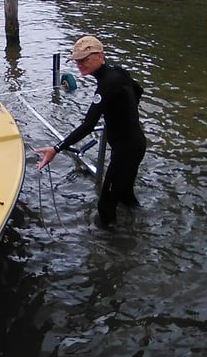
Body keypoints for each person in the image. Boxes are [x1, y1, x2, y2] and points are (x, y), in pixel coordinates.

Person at [35, 35, 146, 228]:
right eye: (77, 61)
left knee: (105, 207)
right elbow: (138, 91)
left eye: (84, 59)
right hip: (136, 144)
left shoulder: (106, 85)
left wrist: (56, 149)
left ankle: (112, 244)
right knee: (126, 196)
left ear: (100, 56)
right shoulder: (117, 72)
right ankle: (139, 229)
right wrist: (123, 112)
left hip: (125, 152)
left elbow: (88, 125)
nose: (80, 65)